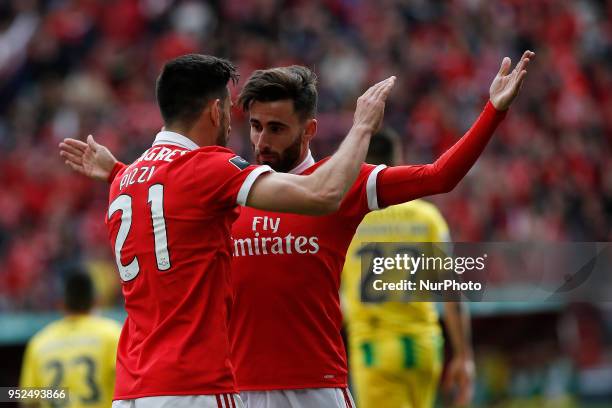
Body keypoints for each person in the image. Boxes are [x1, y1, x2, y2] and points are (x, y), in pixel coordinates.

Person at [60, 51, 533, 407]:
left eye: (277, 129)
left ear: (308, 130)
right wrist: (120, 168)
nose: (262, 140)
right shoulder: (228, 185)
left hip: (317, 389)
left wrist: (492, 111)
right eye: (256, 126)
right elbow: (172, 192)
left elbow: (439, 177)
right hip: (236, 389)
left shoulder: (341, 180)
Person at [59, 53, 394, 408]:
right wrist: (362, 128)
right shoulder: (210, 167)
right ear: (216, 111)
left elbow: (168, 195)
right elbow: (324, 194)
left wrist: (116, 171)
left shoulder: (124, 181)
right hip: (196, 386)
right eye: (235, 114)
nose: (238, 128)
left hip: (131, 390)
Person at [342, 129, 474, 408]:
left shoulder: (348, 218)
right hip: (423, 348)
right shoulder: (428, 217)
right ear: (399, 161)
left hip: (373, 349)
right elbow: (451, 290)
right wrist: (464, 355)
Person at [20, 270, 122, 408]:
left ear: (62, 303)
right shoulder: (113, 334)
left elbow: (29, 400)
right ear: (97, 300)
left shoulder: (39, 341)